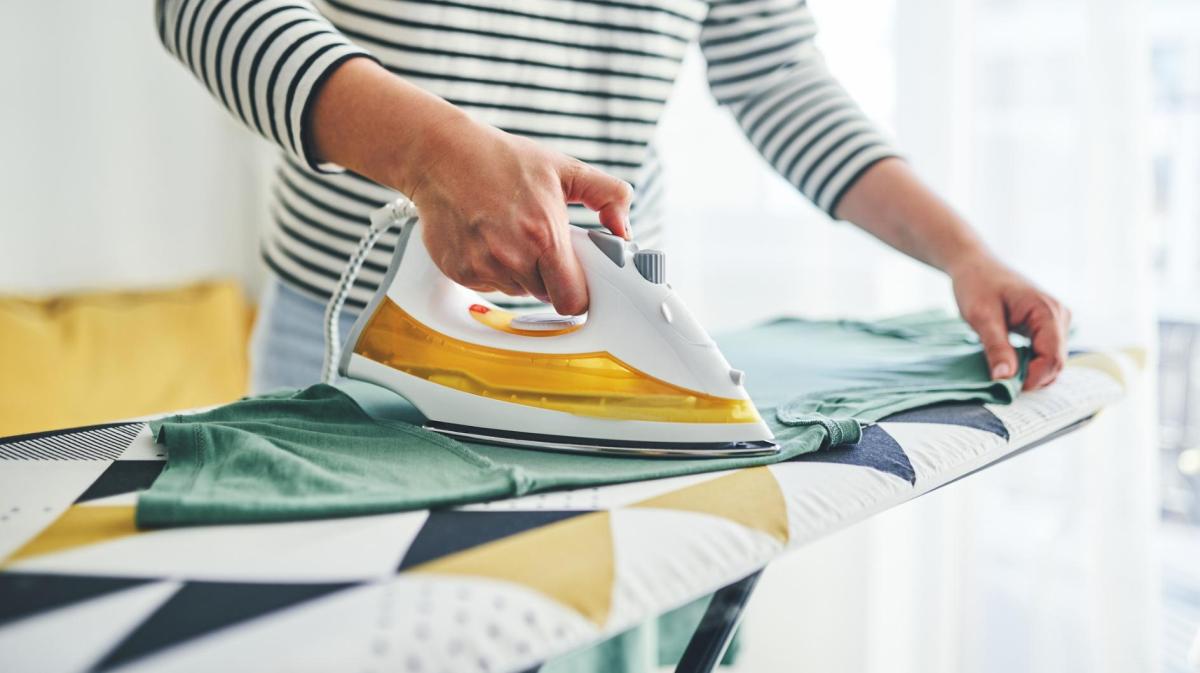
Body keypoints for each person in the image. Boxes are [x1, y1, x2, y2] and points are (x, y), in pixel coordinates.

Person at [155, 0, 1068, 395]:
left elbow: (777, 74)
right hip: (349, 320)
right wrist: (428, 154)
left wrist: (962, 251)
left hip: (599, 312)